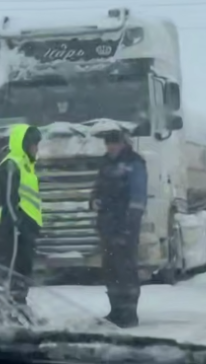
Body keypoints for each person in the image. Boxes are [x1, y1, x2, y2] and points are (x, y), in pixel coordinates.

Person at [90, 129, 147, 328]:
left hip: (124, 226)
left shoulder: (133, 163)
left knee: (126, 269)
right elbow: (98, 188)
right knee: (111, 269)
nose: (111, 147)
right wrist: (94, 201)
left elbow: (138, 197)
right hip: (107, 225)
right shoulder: (106, 163)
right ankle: (116, 310)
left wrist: (129, 226)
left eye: (114, 143)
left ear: (124, 143)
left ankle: (130, 313)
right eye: (108, 144)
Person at [0, 124, 43, 324]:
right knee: (13, 270)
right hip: (15, 230)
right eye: (34, 144)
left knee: (24, 270)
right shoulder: (11, 165)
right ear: (25, 143)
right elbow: (9, 199)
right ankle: (8, 311)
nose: (36, 148)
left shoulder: (26, 165)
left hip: (27, 228)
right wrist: (15, 225)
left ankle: (19, 306)